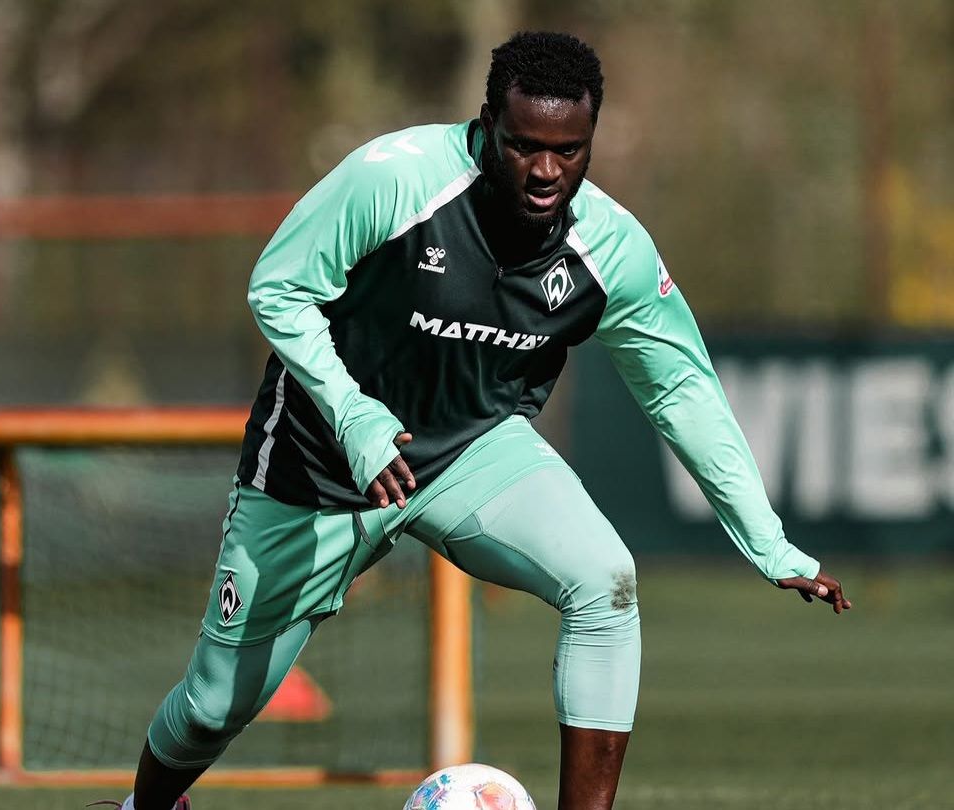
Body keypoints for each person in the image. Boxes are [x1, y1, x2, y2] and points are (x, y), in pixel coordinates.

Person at [111, 31, 852, 810]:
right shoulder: (395, 179)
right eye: (523, 145)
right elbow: (278, 288)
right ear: (486, 124)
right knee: (212, 707)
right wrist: (359, 419)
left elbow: (682, 392)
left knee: (605, 582)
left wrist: (764, 539)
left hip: (470, 451)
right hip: (317, 465)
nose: (544, 170)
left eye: (569, 151)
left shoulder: (610, 248)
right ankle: (146, 807)